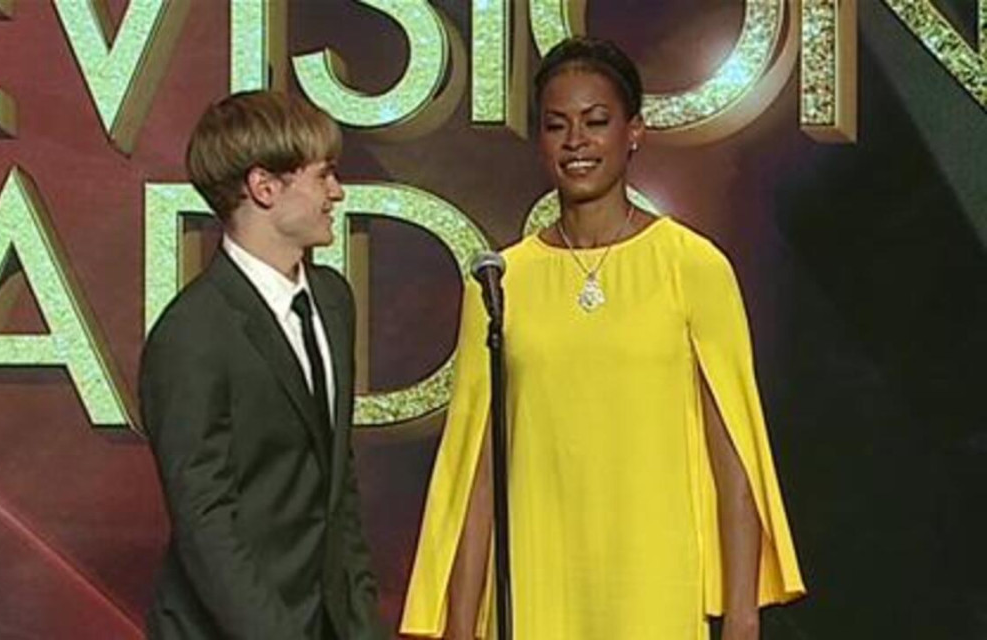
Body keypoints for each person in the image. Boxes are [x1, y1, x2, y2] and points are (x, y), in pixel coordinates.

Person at [400, 38, 805, 640]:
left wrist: (742, 616)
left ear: (633, 131)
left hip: (656, 583)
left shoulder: (691, 266)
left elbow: (733, 457)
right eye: (556, 125)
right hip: (537, 584)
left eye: (596, 122)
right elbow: (477, 473)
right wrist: (460, 626)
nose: (576, 141)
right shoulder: (501, 280)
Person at [139, 91, 387, 640]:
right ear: (264, 187)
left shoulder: (333, 301)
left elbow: (338, 488)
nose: (337, 192)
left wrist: (363, 623)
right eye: (323, 175)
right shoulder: (192, 333)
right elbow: (206, 524)